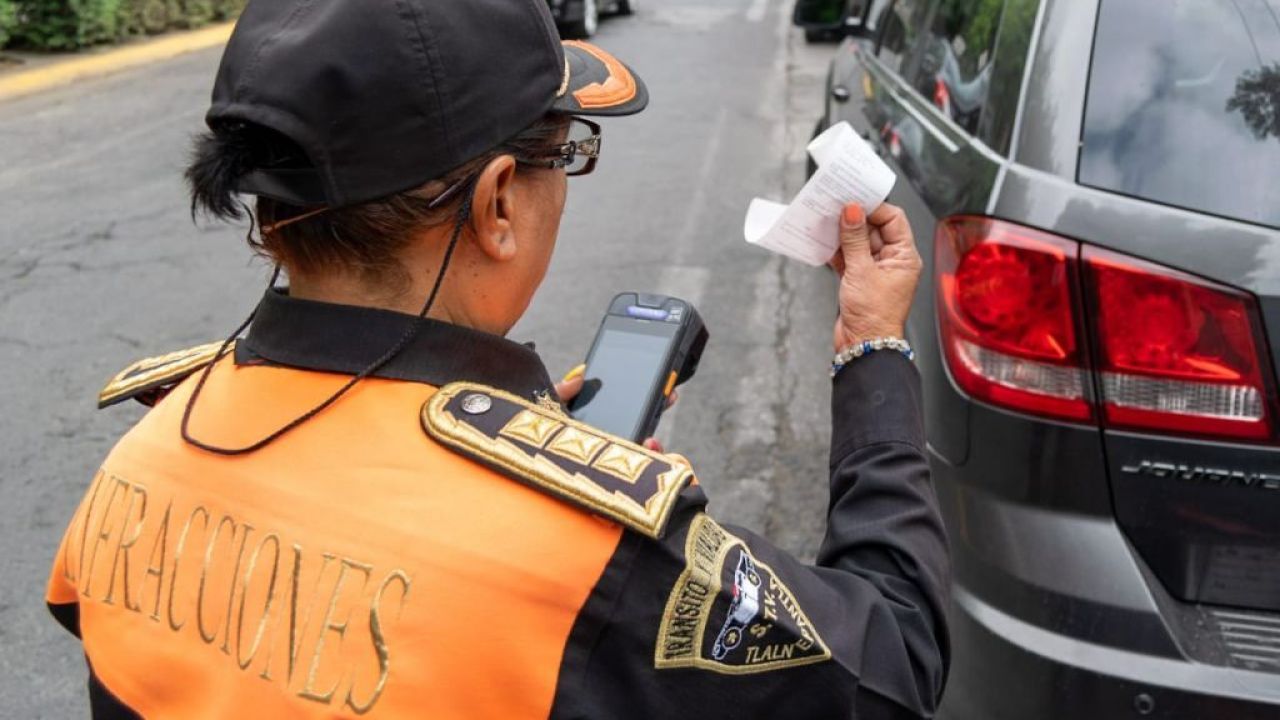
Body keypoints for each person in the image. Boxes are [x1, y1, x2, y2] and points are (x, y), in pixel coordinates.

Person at [45, 0, 949, 717]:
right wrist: (871, 342)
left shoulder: (142, 451)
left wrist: (533, 443)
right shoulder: (582, 552)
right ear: (498, 205)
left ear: (274, 215)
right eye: (570, 153)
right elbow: (896, 657)